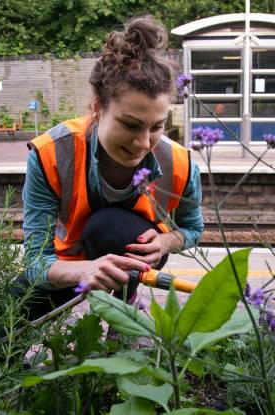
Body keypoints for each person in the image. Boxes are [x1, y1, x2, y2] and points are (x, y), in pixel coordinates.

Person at [16, 16, 203, 321]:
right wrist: (84, 270)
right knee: (1, 325)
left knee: (108, 225)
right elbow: (36, 261)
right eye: (130, 125)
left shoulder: (180, 162)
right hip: (67, 262)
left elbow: (193, 229)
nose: (144, 143)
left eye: (157, 126)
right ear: (97, 108)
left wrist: (166, 242)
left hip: (133, 253)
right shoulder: (52, 153)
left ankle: (123, 315)